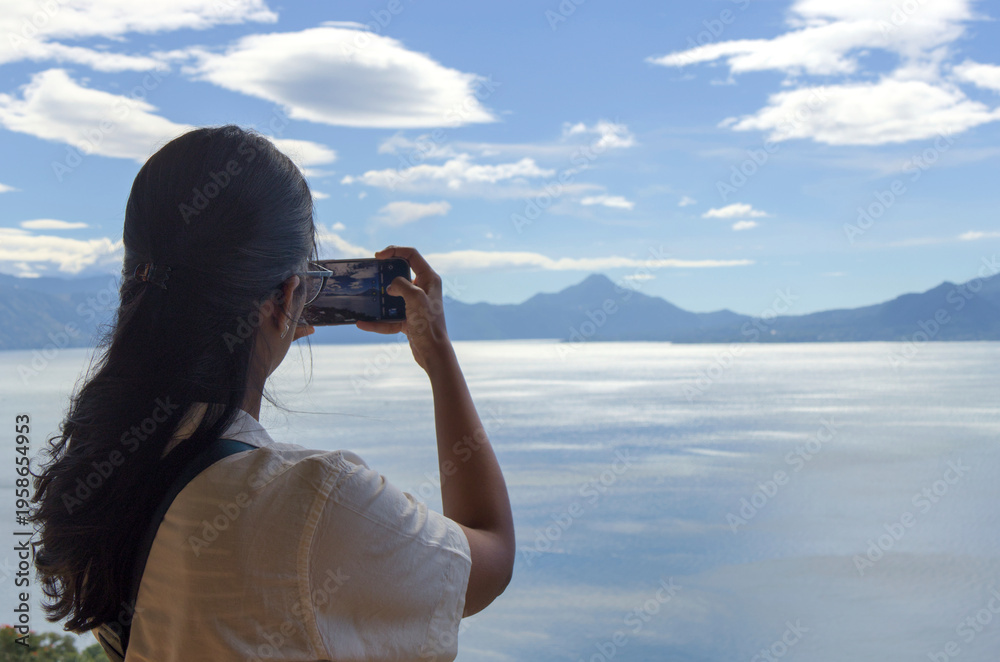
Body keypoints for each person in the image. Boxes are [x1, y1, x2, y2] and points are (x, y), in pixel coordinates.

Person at [28, 125, 515, 661]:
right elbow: (490, 554)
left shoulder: (109, 473)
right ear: (290, 298)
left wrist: (273, 317)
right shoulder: (318, 502)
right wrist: (438, 353)